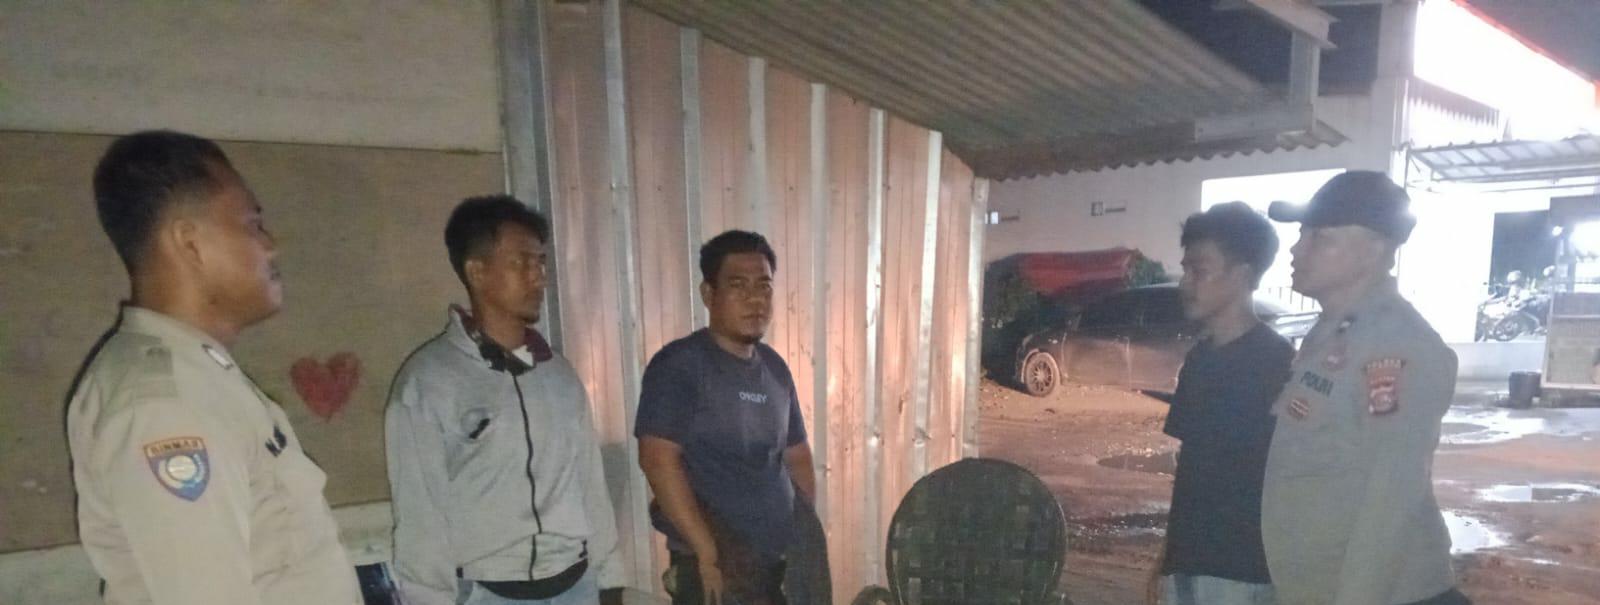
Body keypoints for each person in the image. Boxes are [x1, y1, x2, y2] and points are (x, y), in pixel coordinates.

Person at [65, 130, 362, 604]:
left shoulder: (199, 375)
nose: (271, 245)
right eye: (253, 224)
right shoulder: (168, 406)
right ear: (188, 242)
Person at [385, 195, 625, 605]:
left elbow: (590, 485)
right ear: (476, 272)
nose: (538, 277)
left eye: (541, 263)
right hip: (489, 593)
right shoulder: (428, 382)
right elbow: (420, 514)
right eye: (521, 262)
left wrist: (610, 579)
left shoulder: (559, 376)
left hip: (576, 586)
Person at [1262, 171, 1468, 605]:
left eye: (1320, 237)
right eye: (1301, 234)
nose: (1297, 249)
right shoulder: (1333, 332)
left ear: (1375, 249)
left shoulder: (1399, 345)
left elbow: (1391, 499)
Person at [635, 230, 817, 605]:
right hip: (716, 567)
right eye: (738, 285)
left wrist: (804, 535)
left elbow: (797, 456)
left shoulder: (774, 369)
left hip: (776, 566)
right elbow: (657, 459)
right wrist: (706, 551)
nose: (755, 299)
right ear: (708, 294)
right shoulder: (681, 365)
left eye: (764, 287)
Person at [1155, 202, 1294, 605]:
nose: (1185, 282)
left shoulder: (1276, 364)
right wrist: (1167, 558)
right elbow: (1191, 468)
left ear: (1243, 275)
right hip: (1190, 562)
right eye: (1185, 269)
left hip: (1243, 571)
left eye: (1199, 270)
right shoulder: (1200, 358)